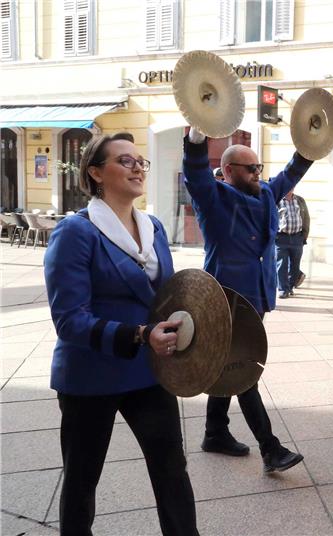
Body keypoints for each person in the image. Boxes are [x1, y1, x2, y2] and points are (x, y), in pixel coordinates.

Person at [44, 132, 198, 535]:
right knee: (82, 479)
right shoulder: (76, 232)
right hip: (90, 374)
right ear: (96, 173)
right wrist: (138, 334)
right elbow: (69, 319)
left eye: (140, 162)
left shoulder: (154, 227)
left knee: (171, 469)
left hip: (148, 371)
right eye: (124, 161)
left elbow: (163, 295)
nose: (137, 168)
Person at [183, 128, 308, 473]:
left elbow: (291, 174)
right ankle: (271, 448)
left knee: (227, 365)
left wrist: (309, 147)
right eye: (250, 168)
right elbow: (194, 173)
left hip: (258, 295)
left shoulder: (266, 192)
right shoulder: (213, 196)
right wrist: (196, 139)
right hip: (225, 296)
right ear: (228, 172)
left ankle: (215, 432)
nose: (257, 173)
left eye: (258, 167)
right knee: (244, 369)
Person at [276, 187, 309, 299]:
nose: (290, 188)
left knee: (295, 267)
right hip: (281, 238)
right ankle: (283, 289)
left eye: (292, 186)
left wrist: (304, 236)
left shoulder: (300, 200)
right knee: (281, 264)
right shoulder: (277, 200)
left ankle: (289, 286)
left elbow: (306, 218)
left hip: (297, 238)